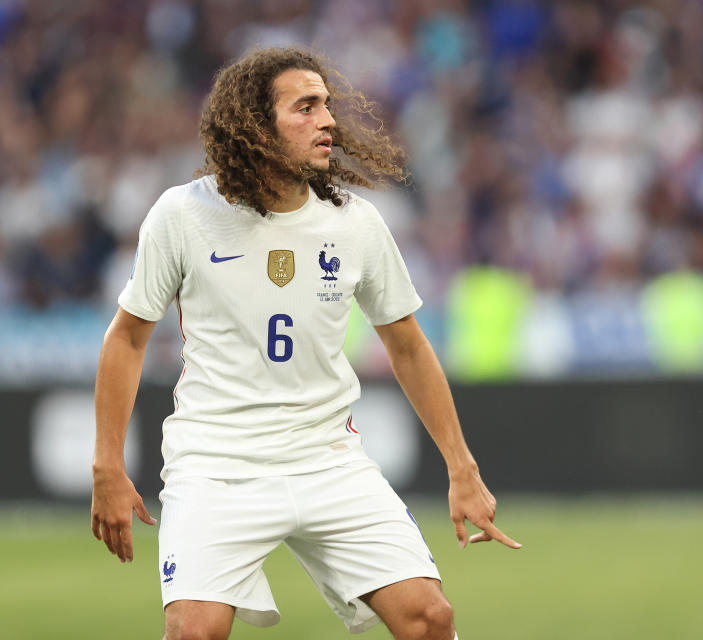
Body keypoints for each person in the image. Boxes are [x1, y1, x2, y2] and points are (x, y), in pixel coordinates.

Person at [90, 46, 520, 640]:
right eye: (306, 107)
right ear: (255, 125)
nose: (329, 121)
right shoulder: (183, 217)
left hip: (326, 457)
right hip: (218, 463)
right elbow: (127, 340)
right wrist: (107, 466)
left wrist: (461, 467)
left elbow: (409, 346)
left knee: (430, 618)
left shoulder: (356, 224)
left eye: (327, 105)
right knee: (195, 632)